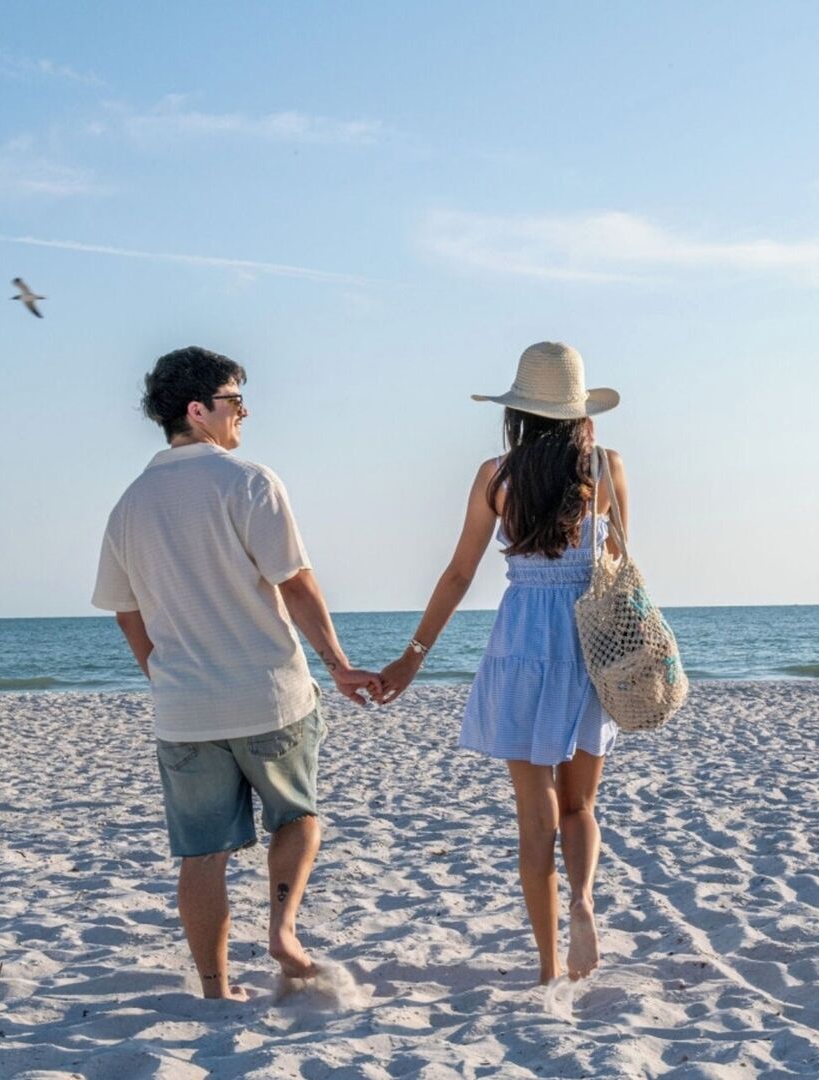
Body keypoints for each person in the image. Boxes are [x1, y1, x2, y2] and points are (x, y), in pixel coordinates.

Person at [91, 345, 380, 1000]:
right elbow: (296, 583)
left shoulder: (129, 504)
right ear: (197, 410)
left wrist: (162, 677)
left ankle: (216, 989)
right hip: (269, 694)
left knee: (201, 856)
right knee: (297, 818)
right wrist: (338, 665)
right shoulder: (248, 481)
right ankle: (282, 931)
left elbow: (126, 613)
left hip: (185, 710)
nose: (243, 412)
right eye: (234, 400)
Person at [379, 341, 626, 984]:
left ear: (517, 411)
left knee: (534, 817)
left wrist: (413, 656)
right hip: (588, 644)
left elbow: (460, 572)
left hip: (521, 643)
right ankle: (583, 901)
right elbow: (622, 566)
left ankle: (547, 968)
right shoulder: (605, 468)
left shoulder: (497, 477)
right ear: (578, 411)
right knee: (580, 806)